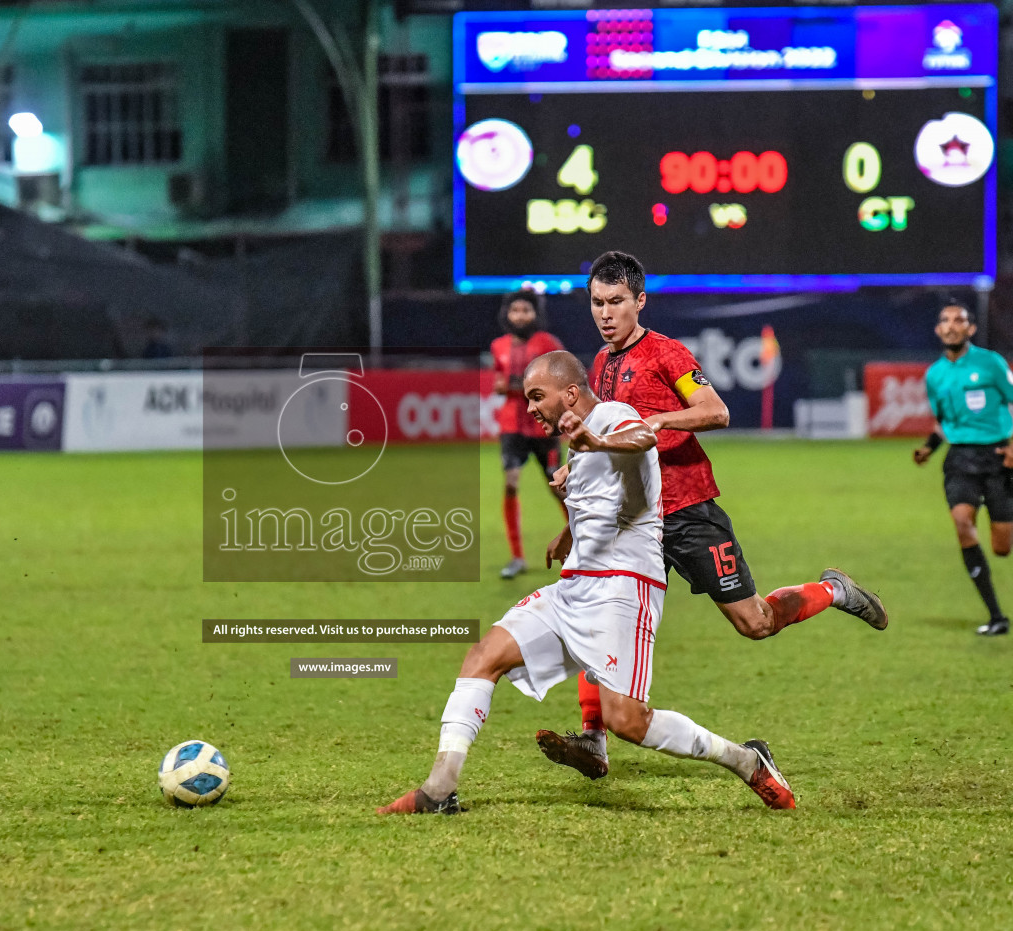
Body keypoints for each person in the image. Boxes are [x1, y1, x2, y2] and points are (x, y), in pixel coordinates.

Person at [377, 351, 795, 815]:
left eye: (538, 396)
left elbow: (640, 439)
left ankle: (746, 760)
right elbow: (605, 497)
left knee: (629, 721)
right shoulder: (578, 439)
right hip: (575, 587)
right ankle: (438, 790)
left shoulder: (614, 418)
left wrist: (596, 442)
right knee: (483, 656)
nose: (531, 406)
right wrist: (568, 527)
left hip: (623, 590)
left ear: (571, 394)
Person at [536, 251, 886, 782]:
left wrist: (655, 421)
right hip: (634, 523)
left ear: (640, 301)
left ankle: (832, 590)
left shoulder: (665, 354)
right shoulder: (601, 368)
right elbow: (598, 448)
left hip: (689, 511)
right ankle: (594, 738)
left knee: (755, 623)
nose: (605, 313)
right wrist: (571, 522)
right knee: (600, 617)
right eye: (597, 302)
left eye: (616, 302)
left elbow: (716, 411)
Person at [913, 301, 1013, 636]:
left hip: (997, 457)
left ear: (971, 328)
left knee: (1002, 548)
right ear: (938, 330)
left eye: (959, 320)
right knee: (963, 524)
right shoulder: (934, 375)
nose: (951, 326)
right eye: (945, 320)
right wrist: (928, 448)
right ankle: (996, 616)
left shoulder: (991, 363)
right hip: (960, 460)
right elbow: (944, 423)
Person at [490, 290, 567, 579]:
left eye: (525, 310)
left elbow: (560, 380)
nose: (520, 316)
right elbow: (499, 382)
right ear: (507, 315)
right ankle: (517, 557)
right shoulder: (499, 346)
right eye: (515, 310)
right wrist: (511, 384)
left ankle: (582, 548)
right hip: (512, 426)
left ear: (535, 314)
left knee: (557, 487)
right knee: (510, 484)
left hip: (544, 426)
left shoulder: (547, 344)